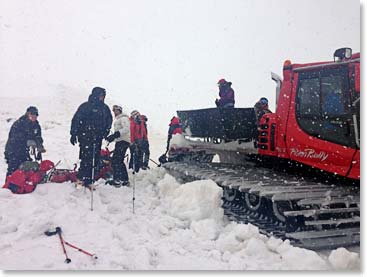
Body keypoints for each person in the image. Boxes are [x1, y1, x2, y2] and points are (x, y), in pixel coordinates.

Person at [70, 87, 112, 189]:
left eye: (103, 96)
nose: (102, 98)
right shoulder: (85, 106)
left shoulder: (105, 108)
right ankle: (80, 178)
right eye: (101, 95)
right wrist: (73, 133)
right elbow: (76, 119)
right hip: (85, 137)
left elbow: (109, 120)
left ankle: (89, 179)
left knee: (95, 158)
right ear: (96, 95)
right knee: (85, 157)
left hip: (97, 138)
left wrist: (106, 131)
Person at [4, 106, 46, 177]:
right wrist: (27, 141)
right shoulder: (19, 124)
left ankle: (21, 185)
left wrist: (39, 147)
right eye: (32, 114)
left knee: (26, 168)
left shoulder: (36, 126)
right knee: (13, 169)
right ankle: (8, 186)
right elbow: (14, 138)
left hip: (24, 151)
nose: (34, 116)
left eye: (35, 115)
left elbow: (38, 137)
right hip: (13, 150)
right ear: (27, 114)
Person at [105, 105, 131, 187]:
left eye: (116, 110)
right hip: (121, 141)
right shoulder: (118, 119)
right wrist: (111, 138)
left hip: (123, 141)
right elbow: (119, 132)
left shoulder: (123, 118)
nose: (114, 112)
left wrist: (116, 134)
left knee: (116, 160)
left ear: (119, 110)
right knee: (119, 160)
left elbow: (127, 128)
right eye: (113, 111)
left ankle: (117, 180)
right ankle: (124, 180)